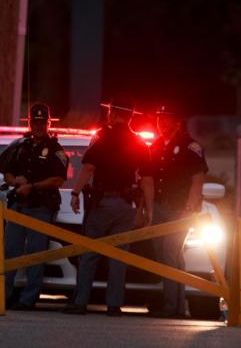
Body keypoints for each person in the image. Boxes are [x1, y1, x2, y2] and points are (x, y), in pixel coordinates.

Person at [63, 94, 152, 317]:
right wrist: (148, 210)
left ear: (113, 113)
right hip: (125, 206)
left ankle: (81, 302)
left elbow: (87, 169)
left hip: (102, 204)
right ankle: (114, 305)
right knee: (119, 257)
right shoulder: (139, 142)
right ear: (131, 117)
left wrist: (74, 194)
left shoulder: (102, 138)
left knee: (90, 254)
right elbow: (147, 179)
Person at [141, 101, 208, 318]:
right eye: (159, 119)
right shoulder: (155, 146)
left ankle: (172, 306)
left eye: (166, 118)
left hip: (179, 209)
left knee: (170, 252)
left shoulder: (190, 146)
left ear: (176, 122)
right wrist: (148, 209)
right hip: (160, 208)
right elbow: (147, 179)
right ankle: (179, 306)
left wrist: (189, 209)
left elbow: (197, 180)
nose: (161, 123)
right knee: (166, 255)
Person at [1, 103, 69, 310]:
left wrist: (33, 186)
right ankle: (3, 295)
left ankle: (28, 299)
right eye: (34, 122)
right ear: (30, 123)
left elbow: (58, 179)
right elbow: (7, 173)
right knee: (9, 251)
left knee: (35, 254)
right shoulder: (21, 146)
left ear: (48, 123)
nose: (38, 126)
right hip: (19, 206)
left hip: (40, 207)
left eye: (42, 122)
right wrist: (16, 183)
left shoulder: (56, 149)